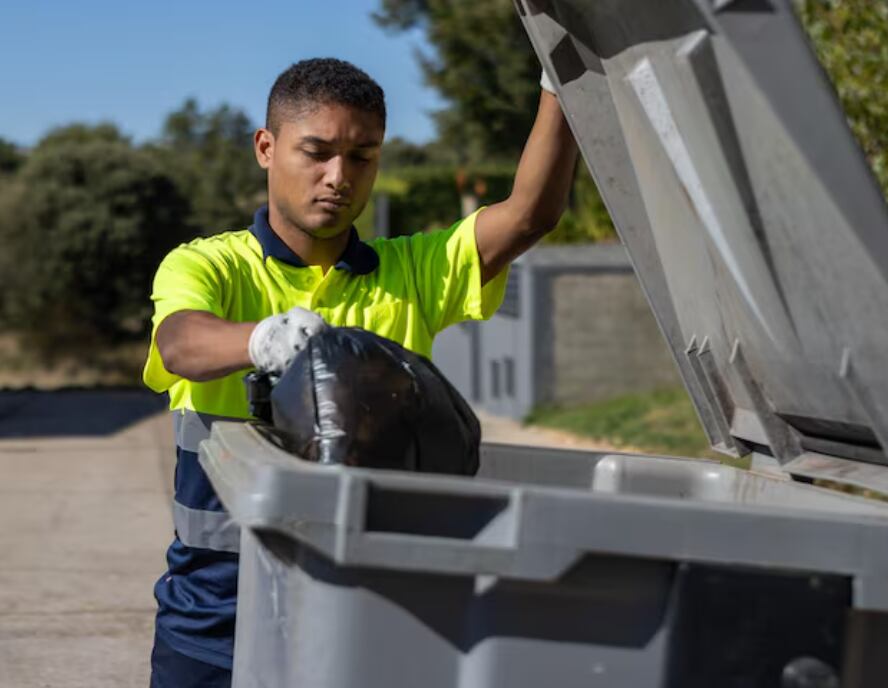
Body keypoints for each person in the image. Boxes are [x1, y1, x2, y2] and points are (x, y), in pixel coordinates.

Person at [143, 57, 578, 687]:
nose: (338, 177)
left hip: (364, 620)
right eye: (316, 153)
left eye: (362, 157)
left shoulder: (412, 272)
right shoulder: (211, 265)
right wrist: (264, 338)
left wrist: (555, 83)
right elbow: (181, 342)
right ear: (266, 148)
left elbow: (531, 214)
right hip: (213, 621)